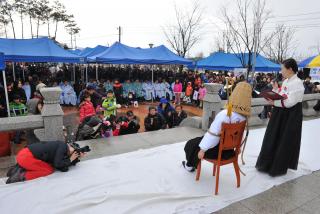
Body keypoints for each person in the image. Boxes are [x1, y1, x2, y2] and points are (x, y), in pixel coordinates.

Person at [182, 82, 252, 172]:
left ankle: (189, 166)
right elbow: (239, 136)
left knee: (191, 144)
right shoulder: (244, 118)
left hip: (217, 150)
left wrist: (203, 149)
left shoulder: (226, 114)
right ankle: (191, 164)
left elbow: (213, 134)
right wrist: (239, 148)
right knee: (197, 141)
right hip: (229, 150)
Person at [256, 58, 305, 177]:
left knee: (284, 139)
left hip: (290, 115)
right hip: (281, 112)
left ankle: (278, 167)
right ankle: (267, 164)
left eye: (282, 68)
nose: (281, 71)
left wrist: (274, 103)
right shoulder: (287, 81)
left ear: (290, 69)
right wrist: (275, 89)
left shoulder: (297, 83)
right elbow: (282, 95)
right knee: (273, 136)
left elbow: (289, 102)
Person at [6, 141, 86, 184]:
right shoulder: (63, 146)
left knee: (48, 167)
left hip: (23, 155)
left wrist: (75, 159)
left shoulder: (61, 146)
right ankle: (20, 176)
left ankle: (17, 169)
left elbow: (63, 168)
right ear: (70, 147)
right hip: (26, 157)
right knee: (48, 170)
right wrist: (71, 159)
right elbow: (58, 164)